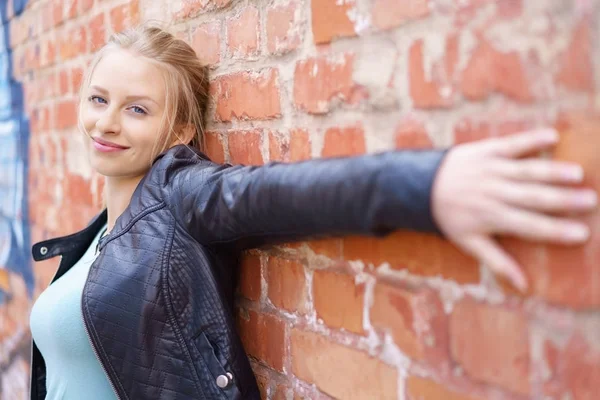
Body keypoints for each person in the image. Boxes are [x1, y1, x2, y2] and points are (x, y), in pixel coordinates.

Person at [28, 25, 597, 400]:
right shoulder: (98, 234)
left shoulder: (179, 196)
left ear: (177, 131)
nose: (105, 123)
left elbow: (279, 193)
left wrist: (426, 187)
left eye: (136, 110)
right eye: (98, 100)